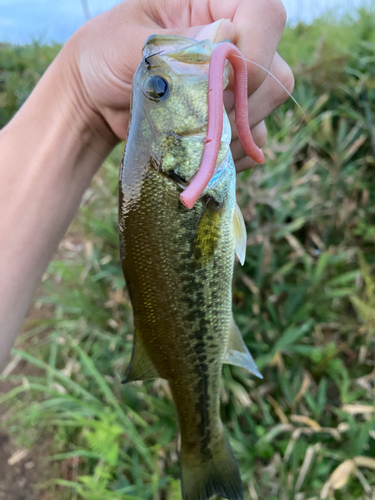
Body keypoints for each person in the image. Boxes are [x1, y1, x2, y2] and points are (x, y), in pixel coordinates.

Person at [0, 0, 294, 372]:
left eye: (156, 87)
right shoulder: (175, 172)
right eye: (159, 87)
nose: (163, 67)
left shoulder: (170, 169)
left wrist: (80, 95)